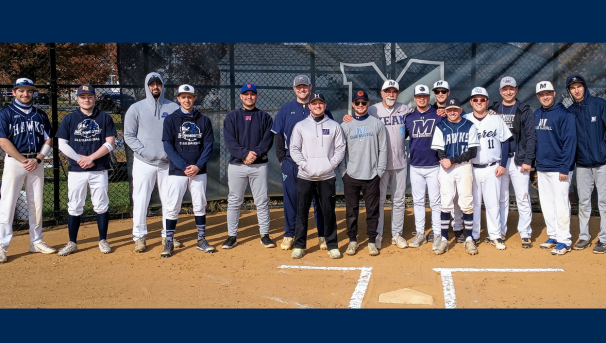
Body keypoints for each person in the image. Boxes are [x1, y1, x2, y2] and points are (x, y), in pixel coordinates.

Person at [343, 79, 413, 249]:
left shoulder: (404, 109)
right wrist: (349, 117)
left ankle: (396, 234)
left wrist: (440, 111)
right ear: (382, 93)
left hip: (400, 162)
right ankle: (378, 234)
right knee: (379, 201)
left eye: (394, 91)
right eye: (387, 91)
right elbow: (359, 116)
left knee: (398, 200)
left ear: (397, 94)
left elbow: (423, 112)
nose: (391, 94)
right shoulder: (372, 109)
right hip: (378, 165)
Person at [271, 75, 333, 251]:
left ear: (310, 87)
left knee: (319, 200)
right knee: (292, 200)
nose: (302, 89)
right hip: (292, 162)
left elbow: (332, 134)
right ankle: (290, 235)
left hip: (316, 163)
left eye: (305, 86)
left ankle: (322, 235)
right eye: (299, 87)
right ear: (294, 89)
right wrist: (282, 159)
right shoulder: (286, 109)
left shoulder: (320, 108)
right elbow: (278, 135)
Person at [56, 84, 117, 256]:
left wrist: (91, 158)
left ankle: (103, 240)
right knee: (74, 205)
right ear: (78, 99)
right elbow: (62, 144)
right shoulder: (69, 119)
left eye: (89, 96)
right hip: (77, 169)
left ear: (94, 98)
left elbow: (110, 143)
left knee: (101, 205)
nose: (86, 100)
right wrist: (80, 159)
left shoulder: (104, 117)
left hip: (99, 168)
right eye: (82, 97)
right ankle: (72, 242)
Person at [124, 72, 180, 253]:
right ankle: (139, 237)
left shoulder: (173, 108)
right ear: (147, 86)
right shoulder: (136, 108)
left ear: (163, 86)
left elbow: (180, 135)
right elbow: (128, 136)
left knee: (169, 201)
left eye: (158, 84)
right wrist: (145, 151)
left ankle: (168, 235)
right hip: (143, 162)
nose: (155, 87)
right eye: (151, 84)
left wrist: (171, 154)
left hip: (167, 163)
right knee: (141, 200)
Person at [0, 78, 55, 263]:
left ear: (33, 93)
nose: (25, 94)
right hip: (16, 161)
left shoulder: (40, 114)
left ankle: (36, 242)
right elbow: (3, 141)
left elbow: (49, 139)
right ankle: (2, 245)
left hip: (36, 162)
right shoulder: (5, 113)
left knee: (36, 204)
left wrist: (39, 158)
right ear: (14, 92)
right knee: (8, 204)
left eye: (29, 91)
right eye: (21, 90)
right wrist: (24, 160)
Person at [289, 93, 346, 259]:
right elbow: (294, 149)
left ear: (325, 105)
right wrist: (305, 165)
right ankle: (299, 245)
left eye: (320, 103)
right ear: (309, 106)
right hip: (305, 176)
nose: (317, 106)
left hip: (326, 176)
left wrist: (330, 165)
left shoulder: (334, 126)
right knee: (302, 211)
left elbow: (340, 148)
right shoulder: (300, 126)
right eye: (314, 104)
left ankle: (332, 245)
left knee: (328, 211)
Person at [160, 84, 214, 257]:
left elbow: (208, 146)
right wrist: (184, 166)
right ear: (178, 99)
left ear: (194, 98)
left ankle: (201, 239)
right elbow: (168, 146)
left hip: (199, 170)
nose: (186, 100)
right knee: (172, 206)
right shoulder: (171, 120)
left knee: (200, 205)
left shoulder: (203, 120)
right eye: (183, 97)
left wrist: (198, 166)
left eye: (189, 96)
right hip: (178, 170)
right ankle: (169, 241)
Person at [222, 83, 275, 249]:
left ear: (257, 96)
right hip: (237, 165)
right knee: (234, 200)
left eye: (252, 94)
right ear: (241, 96)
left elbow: (267, 140)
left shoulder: (265, 117)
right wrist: (245, 154)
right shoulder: (232, 117)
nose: (249, 97)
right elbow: (230, 142)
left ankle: (265, 235)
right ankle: (232, 236)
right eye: (246, 94)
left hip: (259, 165)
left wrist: (255, 154)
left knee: (262, 200)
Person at [488, 76, 536, 248]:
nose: (508, 91)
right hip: (499, 160)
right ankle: (499, 232)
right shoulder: (493, 109)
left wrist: (528, 160)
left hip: (518, 159)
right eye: (505, 89)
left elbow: (531, 137)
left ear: (516, 90)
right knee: (501, 198)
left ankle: (525, 232)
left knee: (522, 197)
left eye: (511, 88)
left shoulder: (524, 110)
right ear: (500, 91)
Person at [339, 90, 387, 256]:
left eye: (364, 102)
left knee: (372, 211)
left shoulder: (377, 124)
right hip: (351, 176)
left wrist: (379, 172)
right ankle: (353, 240)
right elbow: (341, 151)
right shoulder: (345, 125)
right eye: (357, 102)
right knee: (351, 211)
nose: (360, 105)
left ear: (368, 104)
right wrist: (344, 172)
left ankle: (372, 241)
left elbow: (383, 149)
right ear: (353, 105)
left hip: (371, 176)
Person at [430, 97, 479, 255]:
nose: (452, 112)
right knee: (445, 202)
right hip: (446, 169)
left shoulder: (469, 126)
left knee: (466, 202)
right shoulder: (441, 126)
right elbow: (439, 149)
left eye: (455, 110)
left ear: (460, 110)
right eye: (449, 110)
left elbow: (472, 152)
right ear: (446, 111)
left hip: (464, 167)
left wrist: (452, 161)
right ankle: (444, 239)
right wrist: (446, 160)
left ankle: (469, 238)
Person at [465, 87, 512, 250]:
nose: (479, 102)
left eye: (482, 99)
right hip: (471, 168)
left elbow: (506, 142)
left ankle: (495, 235)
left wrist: (502, 164)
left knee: (493, 204)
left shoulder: (496, 119)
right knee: (475, 204)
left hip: (492, 167)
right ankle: (475, 235)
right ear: (471, 102)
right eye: (475, 99)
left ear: (487, 101)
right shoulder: (464, 118)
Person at [534, 81, 576, 255]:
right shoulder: (536, 114)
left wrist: (565, 168)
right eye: (542, 94)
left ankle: (565, 240)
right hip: (542, 167)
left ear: (554, 93)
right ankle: (553, 235)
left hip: (560, 167)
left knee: (561, 204)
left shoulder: (565, 115)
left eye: (548, 93)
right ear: (538, 96)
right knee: (547, 204)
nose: (545, 96)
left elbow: (570, 143)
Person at [565, 74, 606, 254]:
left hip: (602, 163)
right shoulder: (570, 112)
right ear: (569, 91)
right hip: (581, 164)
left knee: (604, 202)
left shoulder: (599, 104)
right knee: (583, 202)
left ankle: (603, 239)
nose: (577, 90)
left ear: (584, 87)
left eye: (579, 86)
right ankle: (584, 237)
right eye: (573, 88)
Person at [404, 85, 442, 248]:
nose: (421, 98)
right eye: (419, 96)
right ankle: (420, 233)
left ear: (429, 97)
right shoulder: (409, 117)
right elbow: (400, 138)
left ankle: (438, 233)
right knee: (418, 202)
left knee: (435, 202)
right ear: (414, 98)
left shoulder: (439, 115)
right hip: (416, 166)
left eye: (424, 96)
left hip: (434, 165)